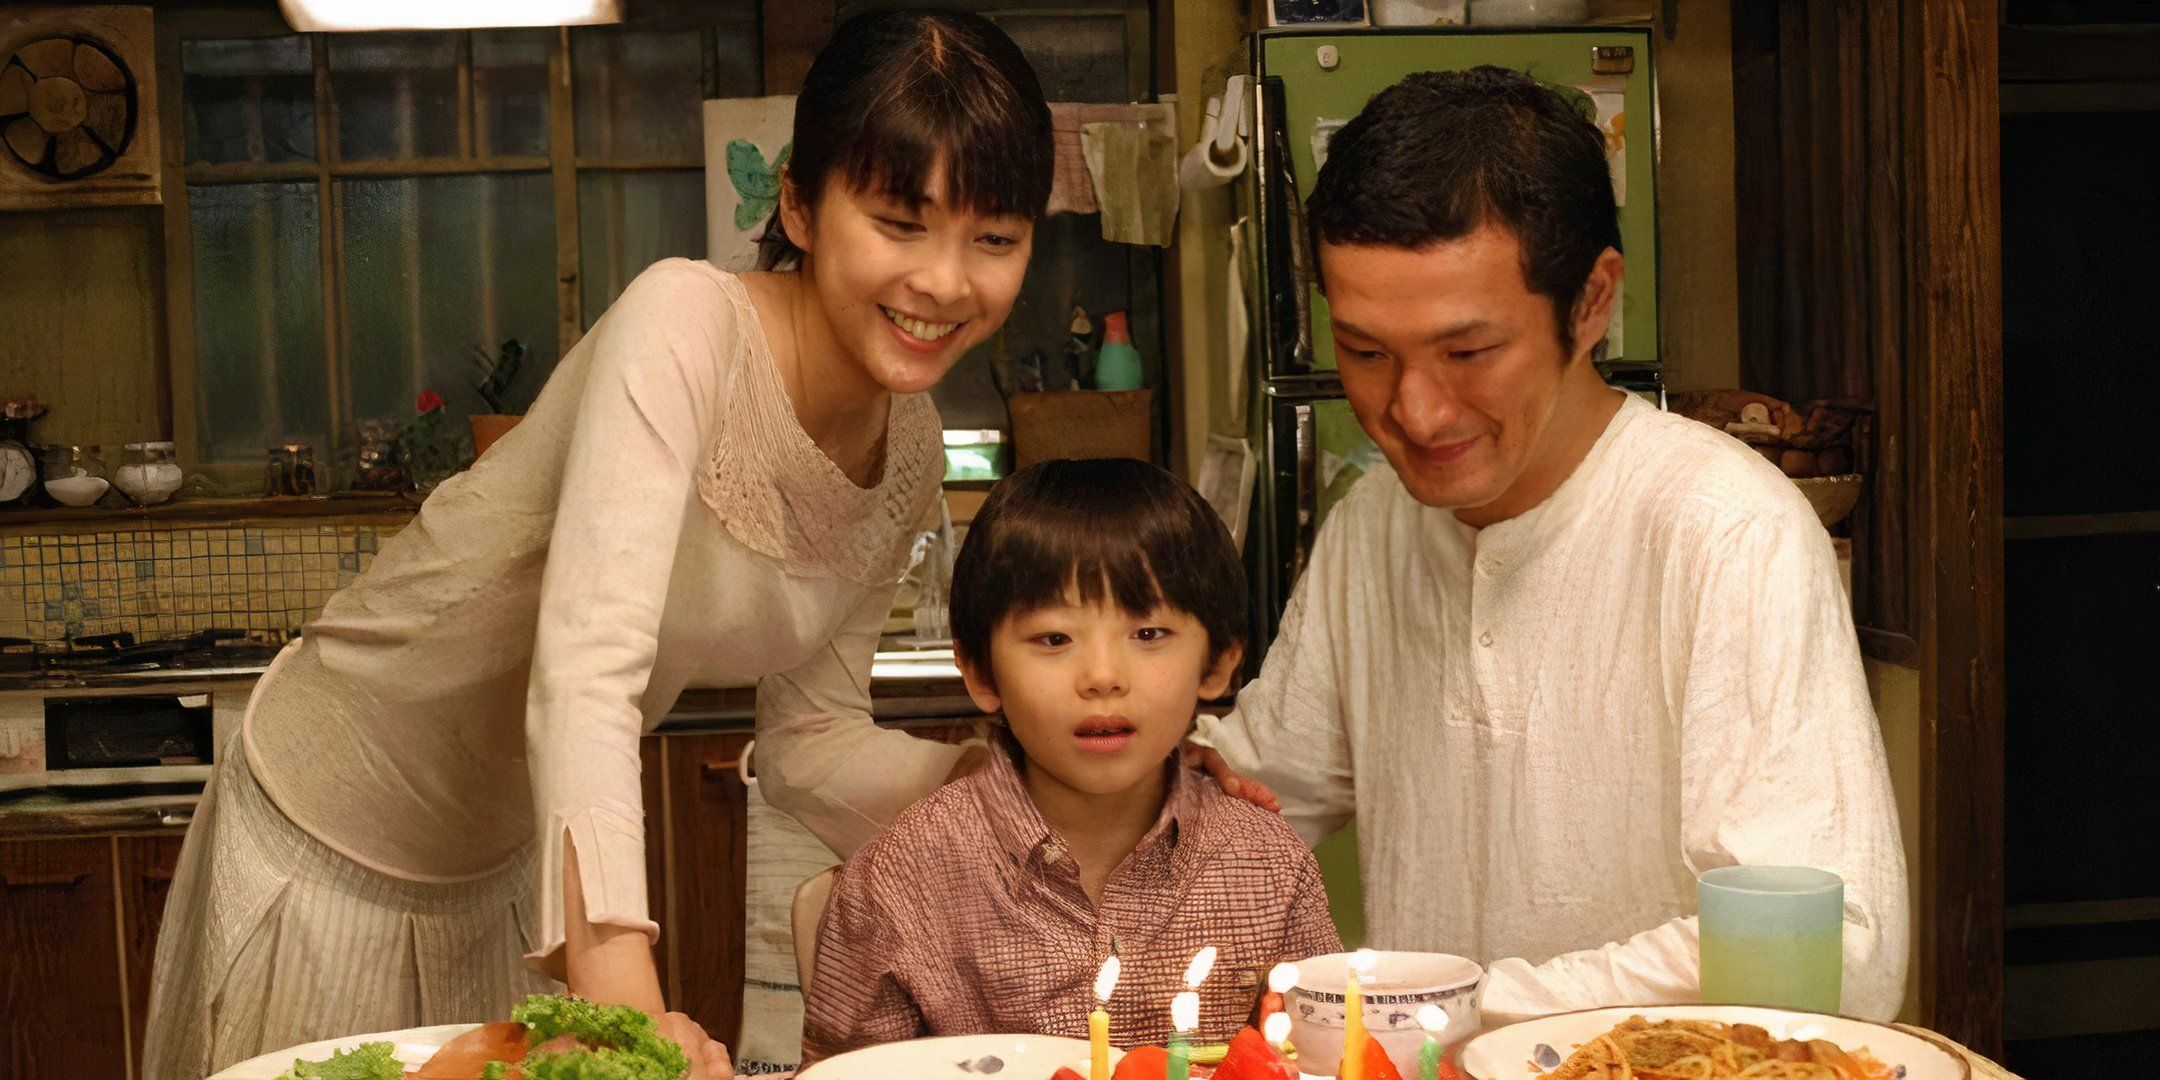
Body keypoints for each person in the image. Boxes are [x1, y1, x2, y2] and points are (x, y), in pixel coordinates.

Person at [141, 11, 1053, 1079]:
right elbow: (586, 669)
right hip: (330, 829)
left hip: (512, 871)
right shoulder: (685, 326)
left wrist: (1034, 788)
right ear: (799, 205)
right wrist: (628, 1017)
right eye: (901, 222)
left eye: (994, 239)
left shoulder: (908, 449)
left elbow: (813, 745)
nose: (948, 283)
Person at [1190, 67, 1911, 1020]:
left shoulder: (1726, 528)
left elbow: (1837, 946)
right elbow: (1254, 791)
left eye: (1468, 353)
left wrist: (1459, 1004)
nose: (1412, 409)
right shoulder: (1375, 523)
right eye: (1365, 353)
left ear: (1592, 300)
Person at [800, 459, 1342, 1065]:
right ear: (981, 672)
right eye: (1054, 639)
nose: (1103, 677)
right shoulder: (901, 879)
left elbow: (1320, 1056)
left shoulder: (1268, 867)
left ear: (1216, 665)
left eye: (1149, 633)